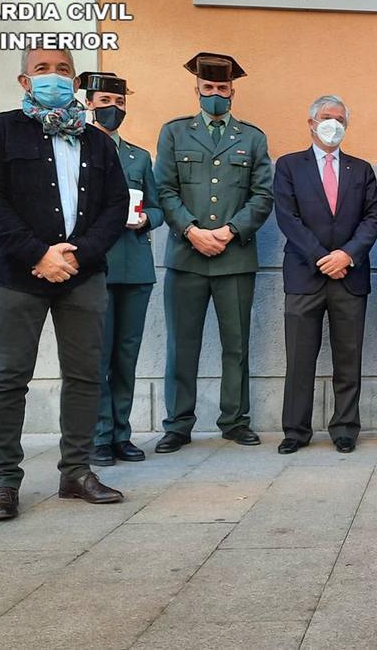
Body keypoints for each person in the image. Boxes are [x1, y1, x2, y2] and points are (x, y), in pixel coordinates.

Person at [0, 46, 127, 521]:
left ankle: (76, 472)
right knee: (8, 378)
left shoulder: (97, 141)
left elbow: (115, 206)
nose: (53, 78)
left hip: (82, 275)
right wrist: (38, 253)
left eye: (62, 70)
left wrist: (77, 255)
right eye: (42, 70)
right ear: (24, 82)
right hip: (17, 275)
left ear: (75, 82)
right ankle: (2, 482)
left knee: (83, 375)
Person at [153, 52, 274, 454]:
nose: (216, 95)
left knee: (236, 345)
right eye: (209, 89)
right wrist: (191, 230)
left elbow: (262, 194)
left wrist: (229, 230)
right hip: (186, 256)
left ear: (233, 92)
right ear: (197, 91)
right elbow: (164, 190)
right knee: (182, 345)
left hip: (234, 256)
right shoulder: (174, 134)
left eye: (222, 89)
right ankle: (178, 423)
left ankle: (235, 420)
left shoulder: (252, 138)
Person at [273, 95, 377, 455]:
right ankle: (295, 429)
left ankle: (345, 427)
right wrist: (323, 257)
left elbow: (372, 218)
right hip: (306, 274)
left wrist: (347, 255)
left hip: (349, 276)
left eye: (339, 119)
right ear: (311, 123)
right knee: (300, 358)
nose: (332, 124)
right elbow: (288, 218)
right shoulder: (290, 166)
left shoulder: (361, 169)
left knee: (348, 357)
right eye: (325, 117)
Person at [76, 72, 163, 468]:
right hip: (96, 265)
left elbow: (159, 207)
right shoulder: (75, 147)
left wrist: (146, 220)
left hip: (135, 265)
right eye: (106, 100)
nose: (114, 108)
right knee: (97, 356)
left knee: (126, 356)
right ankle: (98, 435)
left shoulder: (139, 157)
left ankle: (122, 435)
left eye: (120, 101)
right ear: (90, 103)